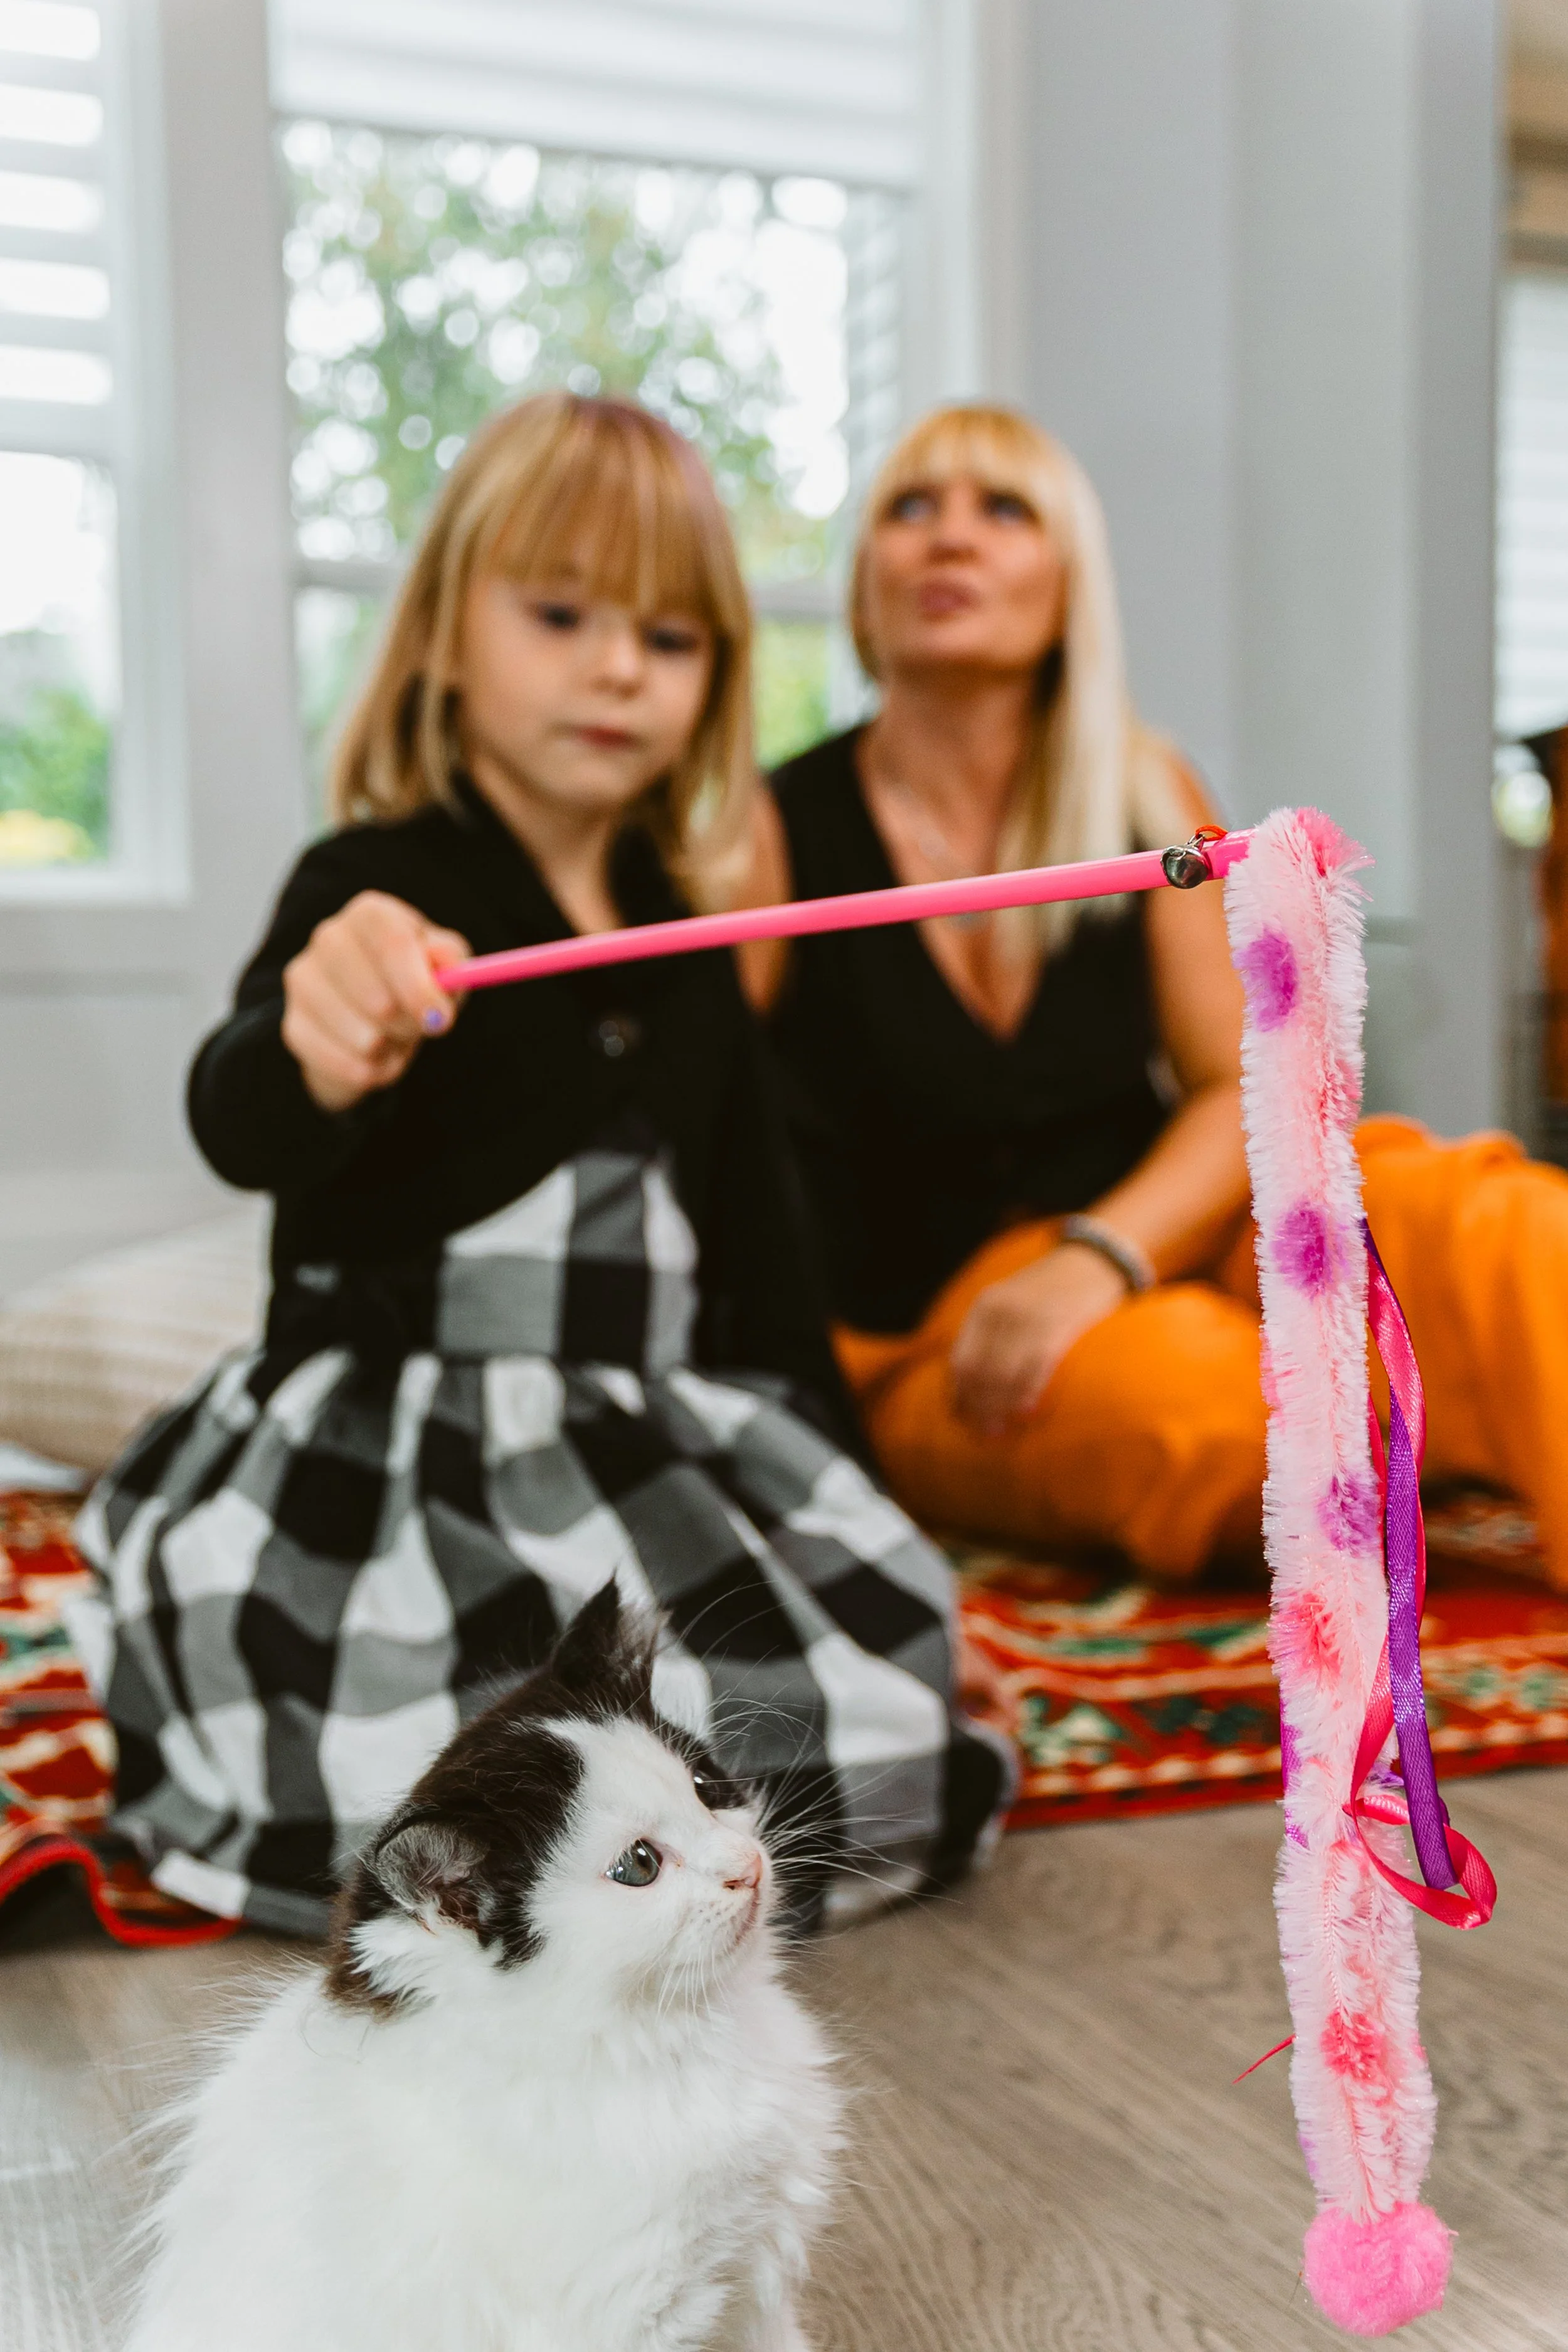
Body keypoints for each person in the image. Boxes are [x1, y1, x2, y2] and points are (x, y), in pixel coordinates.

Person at [72, 393, 1008, 1937]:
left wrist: (888, 1559)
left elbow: (767, 1290)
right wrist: (321, 1035)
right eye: (560, 612)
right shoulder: (368, 881)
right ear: (445, 631)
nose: (617, 666)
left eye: (671, 635)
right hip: (397, 1451)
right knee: (412, 1755)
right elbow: (241, 1120)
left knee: (797, 1716)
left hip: (638, 1442)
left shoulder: (692, 939)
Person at [745, 403, 1568, 1593]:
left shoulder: (1144, 786)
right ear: (864, 579)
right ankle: (1408, 1428)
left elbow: (1243, 1082)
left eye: (1005, 509)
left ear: (1069, 579)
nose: (949, 540)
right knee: (1228, 1422)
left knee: (1508, 1227)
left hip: (1155, 1240)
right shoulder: (770, 828)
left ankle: (1412, 1417)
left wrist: (1106, 1251)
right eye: (909, 509)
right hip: (929, 1330)